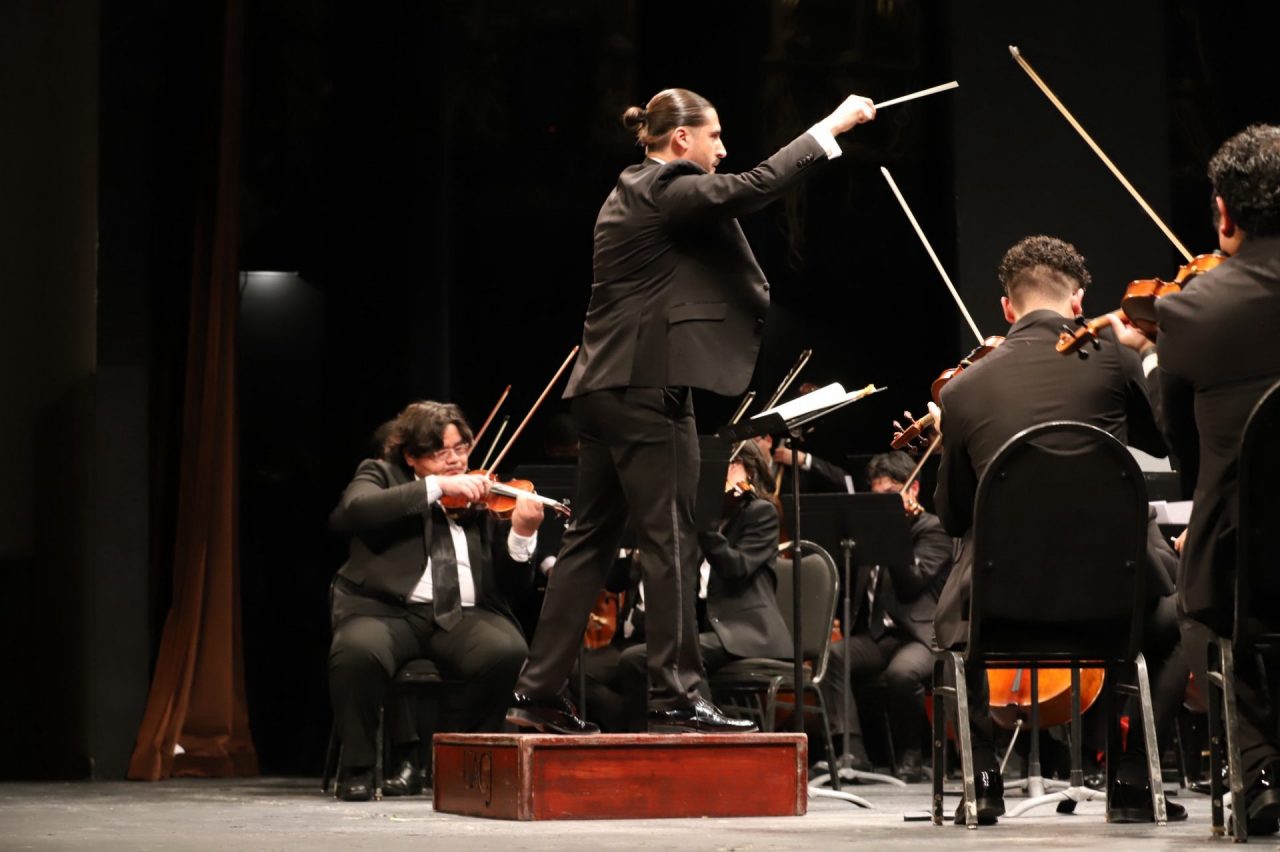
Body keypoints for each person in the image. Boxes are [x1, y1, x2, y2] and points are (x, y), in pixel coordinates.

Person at [507, 87, 876, 734]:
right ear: (682, 139)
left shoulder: (628, 190)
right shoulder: (666, 185)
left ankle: (536, 695)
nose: (722, 149)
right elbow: (753, 186)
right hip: (646, 387)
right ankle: (676, 694)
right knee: (672, 538)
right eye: (715, 136)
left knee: (588, 544)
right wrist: (832, 126)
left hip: (601, 388)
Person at [929, 235, 1185, 824]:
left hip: (1002, 605)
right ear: (1078, 302)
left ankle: (983, 781)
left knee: (948, 634)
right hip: (1113, 602)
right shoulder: (1116, 361)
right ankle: (1130, 777)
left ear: (1006, 308)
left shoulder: (963, 389)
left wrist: (951, 438)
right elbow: (1166, 442)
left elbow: (954, 517)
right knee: (1180, 616)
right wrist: (1146, 355)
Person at [1109, 124, 1280, 836]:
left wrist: (1150, 359)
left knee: (1208, 608)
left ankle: (1259, 770)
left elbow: (1182, 450)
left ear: (1225, 215)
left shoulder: (1189, 310)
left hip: (1246, 554)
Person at [328, 401, 543, 801]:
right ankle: (358, 769)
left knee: (506, 651)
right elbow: (355, 511)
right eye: (441, 452)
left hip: (462, 617)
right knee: (355, 652)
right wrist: (438, 488)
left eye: (461, 448)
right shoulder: (382, 474)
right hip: (386, 614)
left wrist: (523, 536)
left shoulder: (483, 493)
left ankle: (465, 763)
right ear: (411, 456)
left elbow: (513, 586)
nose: (455, 460)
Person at [615, 439, 793, 729]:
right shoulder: (709, 518)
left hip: (747, 631)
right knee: (634, 659)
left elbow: (737, 568)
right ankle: (646, 743)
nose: (719, 473)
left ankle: (711, 738)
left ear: (749, 470)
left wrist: (705, 528)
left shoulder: (761, 512)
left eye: (729, 465)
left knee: (678, 657)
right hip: (709, 631)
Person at [820, 451, 953, 781]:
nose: (883, 504)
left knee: (901, 674)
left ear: (913, 490)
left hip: (920, 635)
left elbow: (911, 585)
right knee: (834, 657)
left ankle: (913, 753)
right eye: (877, 496)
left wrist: (892, 532)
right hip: (879, 635)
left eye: (891, 494)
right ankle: (852, 751)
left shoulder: (933, 529)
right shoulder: (870, 529)